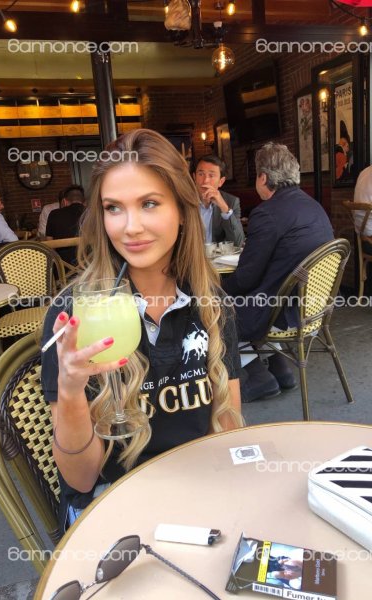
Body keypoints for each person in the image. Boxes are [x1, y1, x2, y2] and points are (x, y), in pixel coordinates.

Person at [41, 129, 242, 534]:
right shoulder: (77, 314)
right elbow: (82, 479)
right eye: (114, 208)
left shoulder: (210, 303)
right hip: (113, 509)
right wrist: (71, 391)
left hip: (197, 496)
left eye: (149, 203)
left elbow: (228, 431)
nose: (130, 227)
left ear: (181, 210)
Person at [223, 142, 334, 403]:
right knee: (249, 299)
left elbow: (247, 278)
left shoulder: (267, 213)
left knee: (214, 310)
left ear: (263, 177)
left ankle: (258, 376)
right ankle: (281, 370)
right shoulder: (313, 207)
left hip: (281, 311)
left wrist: (216, 291)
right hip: (310, 308)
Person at [193, 155, 244, 248]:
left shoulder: (231, 202)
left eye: (211, 175)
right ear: (194, 177)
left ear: (221, 181)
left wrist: (224, 207)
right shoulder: (183, 200)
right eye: (201, 174)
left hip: (216, 256)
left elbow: (238, 243)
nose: (205, 180)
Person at [45, 185, 85, 264]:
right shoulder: (93, 213)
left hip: (63, 268)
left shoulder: (54, 214)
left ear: (65, 201)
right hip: (90, 266)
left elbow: (49, 244)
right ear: (84, 201)